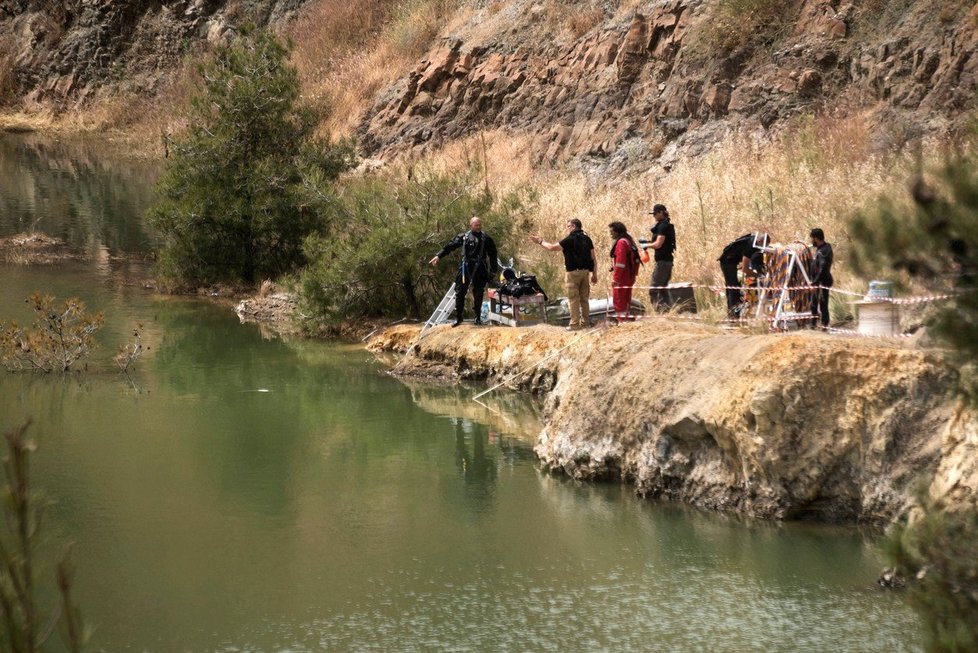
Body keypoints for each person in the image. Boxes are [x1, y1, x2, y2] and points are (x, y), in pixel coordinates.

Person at [529, 219, 598, 330]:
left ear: (574, 226)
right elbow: (593, 258)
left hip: (573, 273)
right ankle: (586, 324)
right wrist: (595, 274)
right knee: (584, 299)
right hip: (585, 273)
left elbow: (551, 247)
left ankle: (574, 325)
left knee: (573, 299)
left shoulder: (570, 239)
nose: (567, 229)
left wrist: (540, 241)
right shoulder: (587, 239)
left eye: (568, 226)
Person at [429, 216, 498, 327]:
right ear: (470, 225)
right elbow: (450, 246)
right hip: (466, 268)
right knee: (460, 292)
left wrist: (493, 271)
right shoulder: (464, 237)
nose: (479, 227)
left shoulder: (486, 239)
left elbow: (493, 255)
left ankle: (478, 317)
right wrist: (438, 256)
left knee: (478, 293)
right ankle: (458, 317)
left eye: (480, 225)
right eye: (476, 225)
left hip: (480, 268)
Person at [718, 232, 767, 317]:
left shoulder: (755, 241)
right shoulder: (751, 246)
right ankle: (733, 315)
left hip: (733, 261)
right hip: (727, 261)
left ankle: (732, 313)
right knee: (733, 288)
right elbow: (745, 269)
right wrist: (759, 276)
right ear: (760, 241)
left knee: (733, 288)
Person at [646, 203, 676, 310]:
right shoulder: (665, 225)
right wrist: (648, 242)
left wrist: (646, 245)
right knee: (663, 289)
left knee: (654, 290)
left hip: (663, 262)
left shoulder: (663, 226)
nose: (654, 216)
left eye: (655, 214)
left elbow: (658, 244)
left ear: (660, 212)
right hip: (667, 261)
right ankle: (669, 312)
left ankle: (661, 313)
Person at [608, 221, 641, 323]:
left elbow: (620, 263)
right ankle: (628, 319)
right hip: (629, 275)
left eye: (612, 232)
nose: (610, 234)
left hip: (623, 276)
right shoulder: (628, 241)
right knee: (626, 299)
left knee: (619, 300)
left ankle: (622, 321)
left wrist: (616, 278)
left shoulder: (621, 243)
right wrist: (634, 274)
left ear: (617, 232)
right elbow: (636, 260)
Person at [809, 228, 834, 328]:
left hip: (823, 281)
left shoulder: (825, 250)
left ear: (816, 238)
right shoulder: (820, 249)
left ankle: (824, 325)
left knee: (823, 304)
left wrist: (815, 283)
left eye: (812, 239)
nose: (811, 241)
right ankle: (813, 324)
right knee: (813, 304)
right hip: (817, 282)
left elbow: (823, 269)